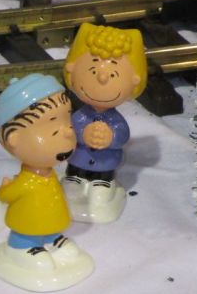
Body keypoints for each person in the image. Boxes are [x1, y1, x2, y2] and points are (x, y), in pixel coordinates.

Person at [0, 74, 94, 291]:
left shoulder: (51, 174)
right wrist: (5, 189)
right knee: (40, 259)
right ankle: (20, 248)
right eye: (52, 126)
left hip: (51, 226)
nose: (68, 131)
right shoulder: (25, 182)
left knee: (64, 247)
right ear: (14, 139)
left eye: (67, 119)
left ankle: (52, 239)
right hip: (25, 231)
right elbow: (4, 196)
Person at [62, 23, 147, 223]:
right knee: (72, 185)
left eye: (113, 75)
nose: (102, 78)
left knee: (100, 190)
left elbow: (122, 135)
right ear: (71, 69)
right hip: (77, 160)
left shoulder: (115, 120)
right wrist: (82, 133)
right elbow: (70, 129)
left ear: (135, 81)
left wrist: (111, 137)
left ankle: (101, 185)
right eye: (92, 71)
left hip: (105, 164)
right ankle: (75, 182)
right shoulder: (80, 116)